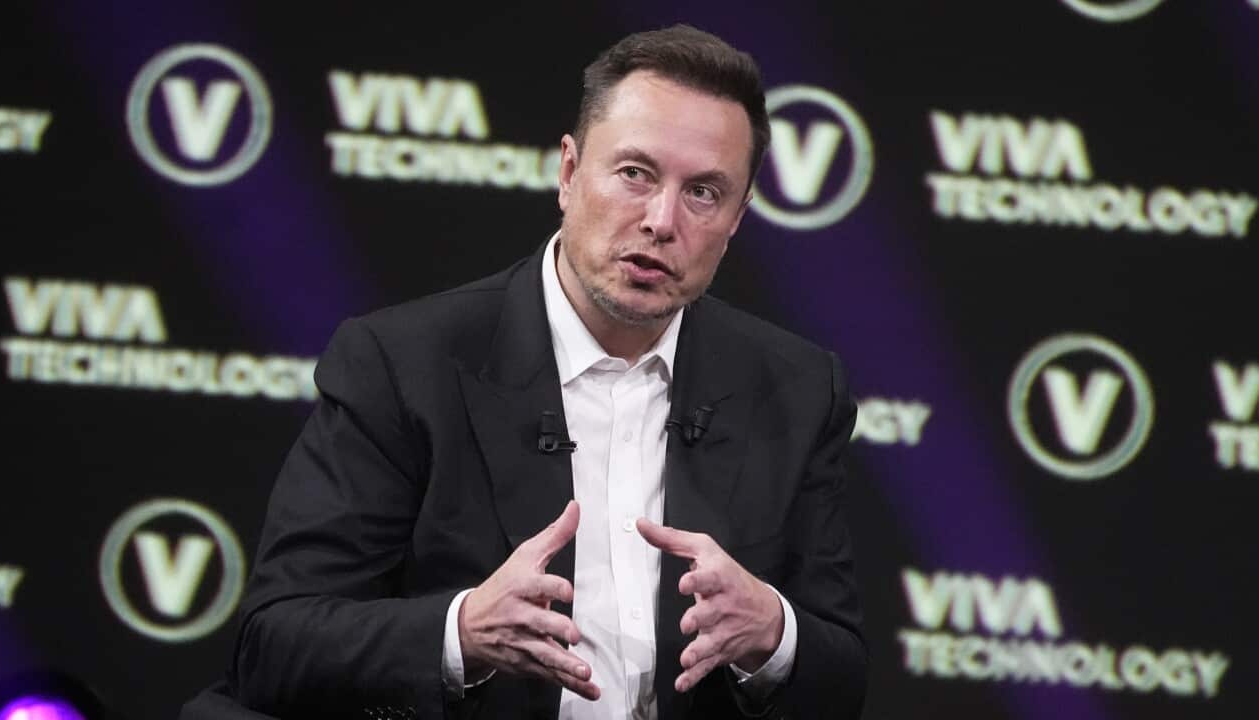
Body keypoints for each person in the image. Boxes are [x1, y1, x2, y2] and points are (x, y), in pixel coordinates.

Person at [225, 24, 866, 720]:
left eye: (704, 193)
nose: (660, 220)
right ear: (568, 172)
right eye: (635, 173)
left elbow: (840, 681)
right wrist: (463, 632)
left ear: (738, 218)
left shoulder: (798, 390)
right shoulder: (404, 365)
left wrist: (772, 631)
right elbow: (274, 644)